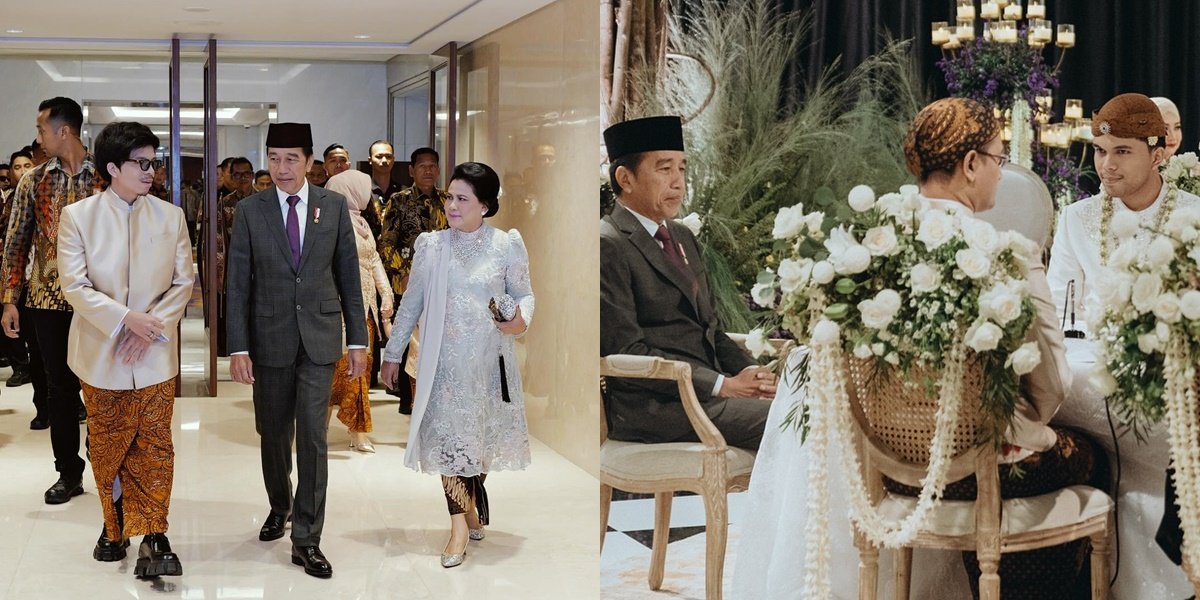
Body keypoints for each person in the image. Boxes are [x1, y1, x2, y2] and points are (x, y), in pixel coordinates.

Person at [733, 97, 1103, 599]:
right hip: (977, 467)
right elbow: (1052, 386)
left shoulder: (860, 256)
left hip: (884, 470)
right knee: (1091, 455)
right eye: (997, 159)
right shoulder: (1005, 255)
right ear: (971, 164)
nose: (998, 173)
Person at [224, 122, 367, 579]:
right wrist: (238, 347)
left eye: (291, 159)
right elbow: (237, 283)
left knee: (312, 436)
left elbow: (349, 275)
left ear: (310, 163)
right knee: (272, 433)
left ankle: (307, 538)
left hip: (321, 338)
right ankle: (280, 505)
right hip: (268, 339)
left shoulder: (334, 207)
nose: (281, 168)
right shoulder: (250, 210)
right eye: (274, 158)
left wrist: (359, 339)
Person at [380, 161, 533, 568]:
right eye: (450, 196)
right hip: (443, 369)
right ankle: (458, 528)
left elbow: (525, 295)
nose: (451, 205)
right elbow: (411, 303)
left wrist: (517, 320)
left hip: (489, 367)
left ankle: (471, 503)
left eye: (462, 199)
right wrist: (393, 354)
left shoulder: (506, 245)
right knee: (451, 449)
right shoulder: (432, 246)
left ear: (484, 206)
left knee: (479, 451)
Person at [57, 121, 193, 578]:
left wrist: (149, 326)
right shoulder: (79, 217)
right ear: (113, 167)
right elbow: (74, 286)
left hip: (154, 354)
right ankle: (113, 528)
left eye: (153, 162)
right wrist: (125, 320)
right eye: (141, 162)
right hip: (101, 353)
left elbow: (183, 281)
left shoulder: (169, 216)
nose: (150, 171)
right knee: (109, 444)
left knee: (155, 445)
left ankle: (155, 530)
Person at [600, 115, 775, 450]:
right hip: (657, 409)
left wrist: (756, 375)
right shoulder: (609, 243)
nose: (678, 182)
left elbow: (711, 329)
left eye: (682, 169)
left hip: (707, 396)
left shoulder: (680, 235)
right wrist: (721, 385)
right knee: (795, 423)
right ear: (625, 178)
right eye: (664, 169)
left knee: (811, 414)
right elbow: (627, 350)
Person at [1, 96, 95, 504]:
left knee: (102, 389)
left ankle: (108, 464)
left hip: (98, 301)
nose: (37, 138)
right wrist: (10, 300)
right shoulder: (34, 180)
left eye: (41, 129)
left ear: (63, 130)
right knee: (59, 389)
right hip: (46, 301)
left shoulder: (106, 177)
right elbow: (16, 242)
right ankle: (68, 472)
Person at [1048, 93, 1200, 324]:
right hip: (1089, 354)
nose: (1107, 165)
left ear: (1156, 157)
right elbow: (1057, 311)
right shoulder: (1076, 218)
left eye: (1122, 151)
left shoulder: (1194, 216)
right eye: (1100, 151)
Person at [323, 169, 393, 453]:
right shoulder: (332, 223)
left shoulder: (362, 222)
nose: (369, 193)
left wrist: (386, 294)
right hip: (340, 308)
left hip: (366, 309)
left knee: (359, 371)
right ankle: (324, 426)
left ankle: (357, 430)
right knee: (337, 372)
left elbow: (373, 258)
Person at [379, 147, 449, 415]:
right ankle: (409, 402)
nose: (428, 171)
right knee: (408, 341)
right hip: (407, 284)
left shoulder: (448, 201)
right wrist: (404, 273)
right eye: (422, 166)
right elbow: (386, 244)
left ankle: (436, 400)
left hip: (442, 284)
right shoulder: (399, 201)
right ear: (411, 170)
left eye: (433, 166)